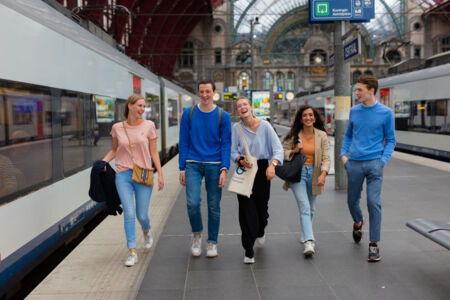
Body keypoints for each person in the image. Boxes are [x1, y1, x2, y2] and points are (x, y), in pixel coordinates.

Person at [102, 94, 164, 267]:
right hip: (123, 175)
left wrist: (160, 173)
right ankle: (132, 251)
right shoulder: (117, 128)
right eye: (139, 106)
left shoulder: (149, 126)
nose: (142, 109)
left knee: (141, 215)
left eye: (144, 106)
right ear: (129, 106)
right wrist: (102, 163)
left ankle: (146, 230)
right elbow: (114, 150)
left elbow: (153, 152)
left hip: (143, 174)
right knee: (128, 213)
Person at [340, 75, 396, 262]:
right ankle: (358, 221)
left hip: (374, 164)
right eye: (356, 90)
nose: (356, 93)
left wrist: (382, 161)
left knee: (374, 202)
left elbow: (391, 140)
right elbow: (348, 135)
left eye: (359, 90)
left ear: (371, 90)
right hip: (354, 163)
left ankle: (374, 245)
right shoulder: (354, 111)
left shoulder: (386, 113)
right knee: (352, 201)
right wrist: (343, 155)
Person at [179, 80, 231, 258]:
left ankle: (212, 242)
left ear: (214, 92)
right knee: (192, 203)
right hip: (192, 163)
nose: (205, 95)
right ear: (198, 93)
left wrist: (225, 168)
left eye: (208, 91)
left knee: (213, 206)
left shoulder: (223, 116)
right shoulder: (189, 113)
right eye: (201, 92)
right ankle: (196, 235)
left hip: (215, 165)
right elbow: (184, 141)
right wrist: (181, 168)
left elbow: (226, 144)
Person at [231, 96, 283, 264]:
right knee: (246, 211)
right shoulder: (236, 128)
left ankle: (260, 230)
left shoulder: (266, 126)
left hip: (262, 169)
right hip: (245, 168)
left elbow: (278, 149)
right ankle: (248, 249)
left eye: (245, 104)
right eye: (239, 106)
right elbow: (232, 152)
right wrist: (239, 159)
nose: (242, 107)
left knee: (262, 210)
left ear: (251, 107)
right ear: (237, 111)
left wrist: (272, 165)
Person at [282, 105, 330, 257]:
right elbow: (282, 152)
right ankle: (309, 241)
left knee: (312, 208)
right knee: (304, 207)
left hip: (315, 174)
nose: (308, 118)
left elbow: (326, 158)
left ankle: (304, 234)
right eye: (305, 115)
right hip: (299, 174)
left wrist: (323, 174)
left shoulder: (322, 135)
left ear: (314, 118)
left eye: (311, 115)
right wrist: (295, 150)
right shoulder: (294, 135)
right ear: (301, 119)